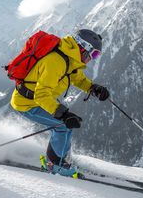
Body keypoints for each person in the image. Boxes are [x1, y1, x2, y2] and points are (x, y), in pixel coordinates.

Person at [10, 29, 110, 176]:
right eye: (93, 54)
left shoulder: (70, 58)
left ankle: (59, 159)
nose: (93, 58)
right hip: (27, 104)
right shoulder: (55, 62)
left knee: (65, 124)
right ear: (83, 48)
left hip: (39, 100)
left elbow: (77, 78)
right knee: (62, 125)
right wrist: (62, 114)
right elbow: (41, 94)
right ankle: (55, 164)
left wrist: (93, 88)